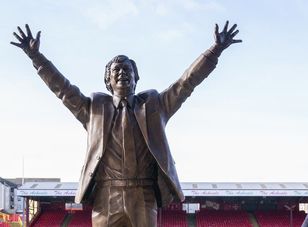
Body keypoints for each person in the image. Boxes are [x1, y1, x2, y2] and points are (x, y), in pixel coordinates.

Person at [11, 21, 241, 227]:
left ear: (136, 77)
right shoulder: (93, 109)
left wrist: (215, 51)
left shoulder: (154, 106)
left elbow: (186, 83)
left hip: (143, 194)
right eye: (116, 70)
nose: (123, 73)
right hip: (106, 196)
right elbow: (62, 89)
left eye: (128, 69)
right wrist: (36, 58)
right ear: (108, 81)